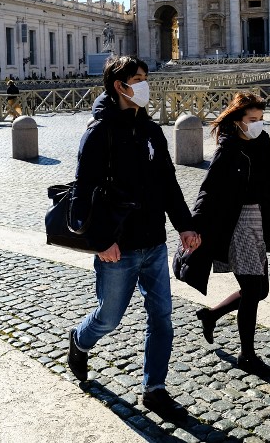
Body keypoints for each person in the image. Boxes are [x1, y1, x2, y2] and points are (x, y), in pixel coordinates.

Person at [67, 55, 198, 421]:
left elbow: (168, 183)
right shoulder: (99, 132)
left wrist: (185, 226)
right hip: (117, 245)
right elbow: (83, 190)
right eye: (137, 79)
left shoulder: (152, 130)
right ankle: (79, 340)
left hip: (154, 240)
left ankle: (154, 389)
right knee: (108, 318)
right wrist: (100, 240)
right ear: (119, 86)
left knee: (163, 318)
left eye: (145, 77)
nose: (144, 84)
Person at [187, 92, 270, 377]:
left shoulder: (263, 142)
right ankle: (247, 355)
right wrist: (194, 226)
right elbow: (208, 189)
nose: (258, 125)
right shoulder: (228, 150)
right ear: (238, 121)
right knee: (253, 290)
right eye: (252, 120)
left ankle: (211, 315)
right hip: (237, 223)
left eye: (261, 119)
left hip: (259, 221)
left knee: (260, 289)